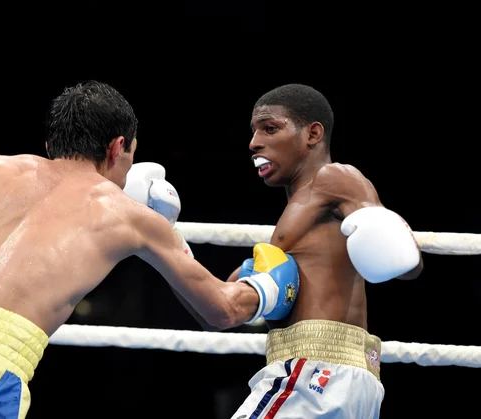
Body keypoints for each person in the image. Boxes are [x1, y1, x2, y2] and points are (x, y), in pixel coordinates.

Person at [0, 80, 298, 418]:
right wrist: (269, 286)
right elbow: (221, 310)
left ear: (51, 144)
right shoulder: (125, 213)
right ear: (118, 148)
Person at [179, 84, 424, 418]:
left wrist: (386, 243)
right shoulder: (292, 229)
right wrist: (163, 240)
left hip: (313, 376)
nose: (253, 143)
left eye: (269, 128)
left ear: (313, 134)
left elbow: (406, 259)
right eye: (253, 131)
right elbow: (218, 312)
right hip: (346, 380)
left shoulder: (334, 177)